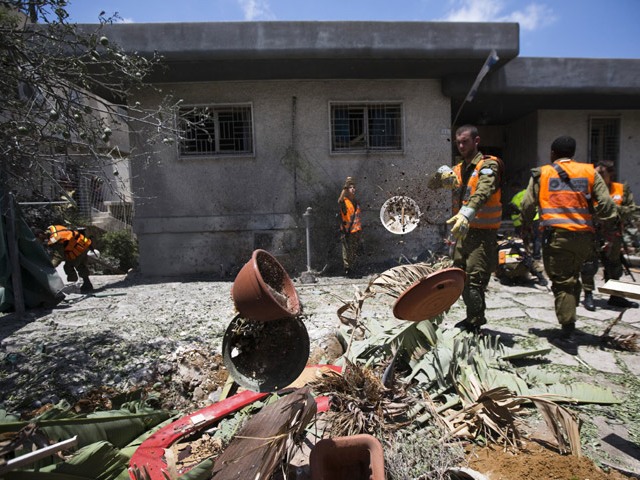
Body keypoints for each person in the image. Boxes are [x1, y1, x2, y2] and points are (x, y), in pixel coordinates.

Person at [520, 136, 619, 339]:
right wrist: (606, 224)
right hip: (585, 238)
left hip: (557, 238)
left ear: (552, 153)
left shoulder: (542, 174)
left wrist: (525, 225)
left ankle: (568, 328)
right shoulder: (590, 172)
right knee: (574, 277)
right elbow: (607, 206)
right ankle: (571, 315)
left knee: (563, 282)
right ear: (573, 153)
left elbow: (528, 205)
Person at [445, 125, 503, 333]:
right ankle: (471, 317)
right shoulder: (460, 169)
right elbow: (440, 185)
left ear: (476, 141)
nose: (461, 146)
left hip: (482, 234)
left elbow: (483, 191)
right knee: (459, 276)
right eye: (458, 142)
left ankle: (476, 322)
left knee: (475, 279)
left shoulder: (488, 166)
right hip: (463, 232)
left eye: (465, 142)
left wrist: (467, 213)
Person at [580, 160, 638, 309]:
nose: (597, 176)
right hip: (593, 233)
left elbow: (630, 209)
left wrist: (612, 211)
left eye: (601, 173)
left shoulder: (620, 189)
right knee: (589, 265)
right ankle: (588, 295)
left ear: (610, 174)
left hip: (613, 234)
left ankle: (615, 296)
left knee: (614, 265)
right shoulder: (588, 191)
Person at [509, 187, 547, 286]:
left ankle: (527, 253)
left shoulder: (518, 195)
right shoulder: (533, 193)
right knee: (536, 239)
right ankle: (536, 255)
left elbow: (512, 206)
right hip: (534, 219)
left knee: (523, 242)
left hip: (521, 221)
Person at [46, 224, 94, 292]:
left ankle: (73, 285)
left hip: (78, 249)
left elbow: (58, 257)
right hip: (82, 244)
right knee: (81, 266)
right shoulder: (55, 230)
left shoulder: (56, 238)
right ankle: (87, 284)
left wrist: (49, 267)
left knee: (68, 267)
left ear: (40, 235)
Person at [338, 177, 362, 277]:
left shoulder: (356, 202)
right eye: (350, 187)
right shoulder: (345, 201)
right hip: (347, 231)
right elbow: (339, 201)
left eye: (354, 187)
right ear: (347, 190)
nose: (353, 189)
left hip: (356, 231)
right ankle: (348, 270)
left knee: (354, 250)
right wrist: (345, 186)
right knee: (347, 251)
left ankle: (353, 268)